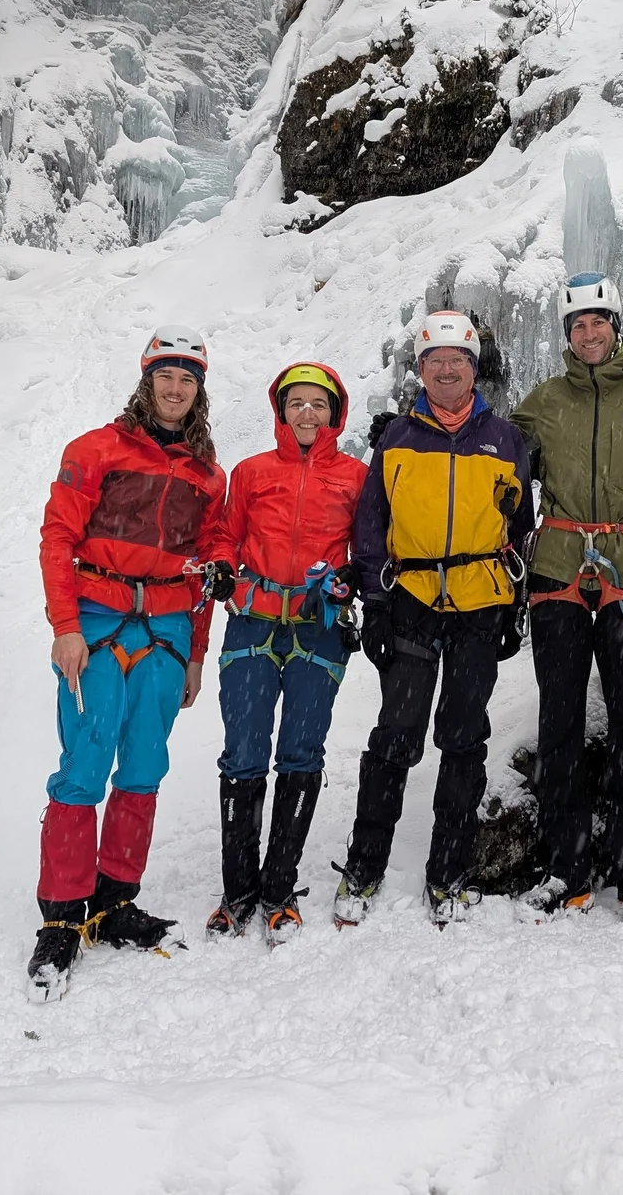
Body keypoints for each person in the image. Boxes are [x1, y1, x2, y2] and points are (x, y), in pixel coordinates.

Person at [28, 326, 233, 999]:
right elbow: (58, 536)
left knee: (144, 764)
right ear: (147, 380)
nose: (175, 388)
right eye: (165, 376)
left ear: (199, 388)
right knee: (85, 763)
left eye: (187, 378)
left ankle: (114, 900)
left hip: (170, 628)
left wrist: (197, 654)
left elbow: (207, 571)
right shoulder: (95, 450)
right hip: (95, 619)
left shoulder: (209, 474)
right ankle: (62, 916)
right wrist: (64, 626)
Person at [333, 311, 536, 927]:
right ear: (419, 369)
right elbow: (371, 525)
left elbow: (520, 525)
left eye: (459, 362)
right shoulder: (396, 436)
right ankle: (365, 867)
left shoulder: (504, 438)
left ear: (475, 369)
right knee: (395, 737)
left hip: (479, 603)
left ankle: (448, 870)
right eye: (435, 362)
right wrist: (374, 601)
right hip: (412, 601)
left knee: (464, 738)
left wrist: (511, 606)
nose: (447, 372)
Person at [509, 274, 623, 915]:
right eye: (577, 325)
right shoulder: (544, 399)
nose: (589, 334)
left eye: (598, 322)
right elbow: (502, 456)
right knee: (560, 718)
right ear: (567, 335)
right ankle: (566, 866)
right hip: (556, 565)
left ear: (616, 325)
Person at [204, 363, 369, 946]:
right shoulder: (251, 473)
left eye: (317, 405)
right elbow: (226, 534)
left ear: (335, 413)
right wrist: (223, 565)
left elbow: (367, 546)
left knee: (301, 751)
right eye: (296, 403)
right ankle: (237, 892)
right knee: (243, 751)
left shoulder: (355, 476)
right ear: (280, 410)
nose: (306, 413)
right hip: (251, 622)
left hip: (318, 627)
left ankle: (278, 888)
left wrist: (351, 573)